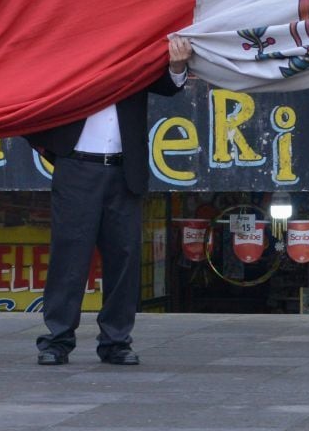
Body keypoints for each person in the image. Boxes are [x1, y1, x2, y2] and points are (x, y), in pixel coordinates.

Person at [27, 35, 192, 365]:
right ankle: (57, 339)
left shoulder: (133, 55)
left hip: (122, 169)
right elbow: (29, 101)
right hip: (77, 167)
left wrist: (176, 66)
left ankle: (116, 341)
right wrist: (54, 150)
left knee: (125, 256)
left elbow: (167, 85)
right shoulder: (66, 58)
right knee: (69, 255)